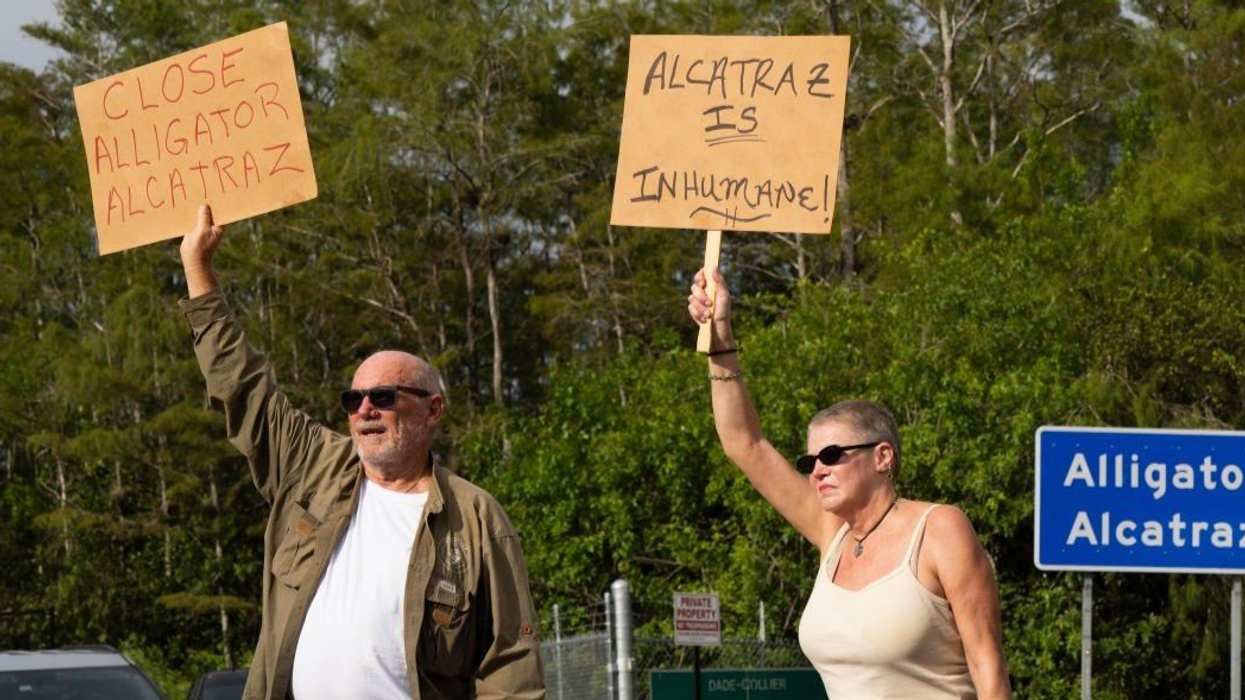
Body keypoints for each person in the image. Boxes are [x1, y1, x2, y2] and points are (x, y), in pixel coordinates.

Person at [178, 205, 545, 700]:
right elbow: (242, 386)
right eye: (354, 400)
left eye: (385, 397)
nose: (365, 409)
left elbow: (511, 670)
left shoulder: (477, 520)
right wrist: (198, 269)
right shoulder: (312, 467)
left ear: (433, 410)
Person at [687, 268, 1010, 700]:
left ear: (883, 457)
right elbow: (745, 445)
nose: (817, 470)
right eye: (810, 460)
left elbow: (989, 671)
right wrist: (719, 337)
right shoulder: (833, 535)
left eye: (833, 455)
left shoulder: (938, 530)